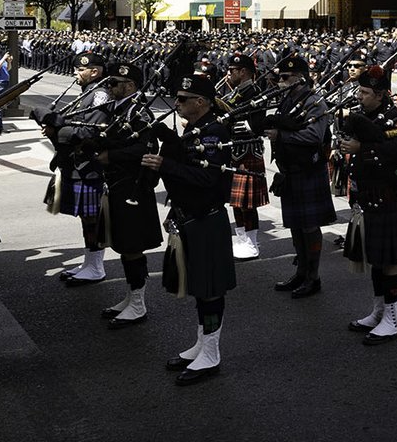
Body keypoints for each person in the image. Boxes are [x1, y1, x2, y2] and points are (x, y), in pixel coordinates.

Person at [142, 74, 237, 385]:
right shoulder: (194, 130)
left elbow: (208, 180)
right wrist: (170, 146)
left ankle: (212, 352)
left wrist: (165, 164)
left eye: (183, 99)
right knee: (199, 287)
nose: (177, 103)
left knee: (210, 289)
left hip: (207, 218)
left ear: (201, 102)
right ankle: (202, 343)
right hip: (190, 217)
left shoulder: (214, 133)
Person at [341, 65, 397, 344]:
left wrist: (363, 149)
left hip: (387, 197)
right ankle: (378, 311)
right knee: (376, 260)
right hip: (367, 196)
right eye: (359, 90)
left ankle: (392, 321)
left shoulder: (394, 118)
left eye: (365, 92)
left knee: (390, 262)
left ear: (380, 94)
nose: (360, 96)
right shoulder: (363, 115)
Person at [33, 52, 111, 285]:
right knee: (85, 218)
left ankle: (96, 267)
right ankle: (89, 262)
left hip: (89, 166)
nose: (76, 73)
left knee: (92, 219)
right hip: (77, 165)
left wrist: (58, 131)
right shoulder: (88, 92)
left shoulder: (99, 95)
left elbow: (91, 130)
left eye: (80, 70)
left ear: (94, 71)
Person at [95, 61, 163, 328]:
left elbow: (145, 148)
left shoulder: (139, 112)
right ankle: (130, 296)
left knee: (132, 245)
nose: (110, 88)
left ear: (131, 86)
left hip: (132, 185)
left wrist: (111, 155)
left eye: (114, 84)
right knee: (123, 243)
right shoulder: (116, 109)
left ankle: (138, 303)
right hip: (116, 183)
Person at [263, 56, 334, 298]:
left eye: (285, 78)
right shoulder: (288, 100)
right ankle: (301, 272)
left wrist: (281, 136)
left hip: (308, 170)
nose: (280, 82)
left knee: (309, 227)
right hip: (290, 170)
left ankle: (313, 277)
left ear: (300, 79)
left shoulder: (314, 103)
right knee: (295, 225)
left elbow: (314, 136)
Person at [221, 53, 269, 260]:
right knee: (236, 202)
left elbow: (256, 125)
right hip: (234, 150)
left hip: (247, 150)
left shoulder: (255, 92)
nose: (228, 73)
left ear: (243, 72)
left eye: (232, 70)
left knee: (247, 204)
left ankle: (251, 242)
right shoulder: (235, 92)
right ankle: (241, 239)